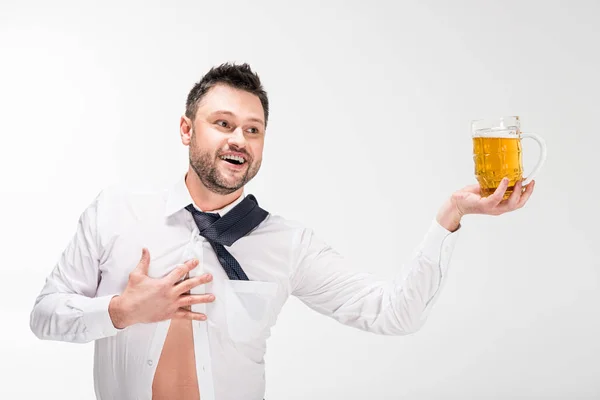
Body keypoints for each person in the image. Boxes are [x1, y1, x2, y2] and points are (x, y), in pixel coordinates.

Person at [29, 62, 535, 400]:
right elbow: (44, 315)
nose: (239, 139)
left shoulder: (287, 245)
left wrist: (451, 215)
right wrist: (120, 311)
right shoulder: (115, 212)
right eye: (222, 123)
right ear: (187, 130)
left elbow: (392, 314)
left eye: (253, 129)